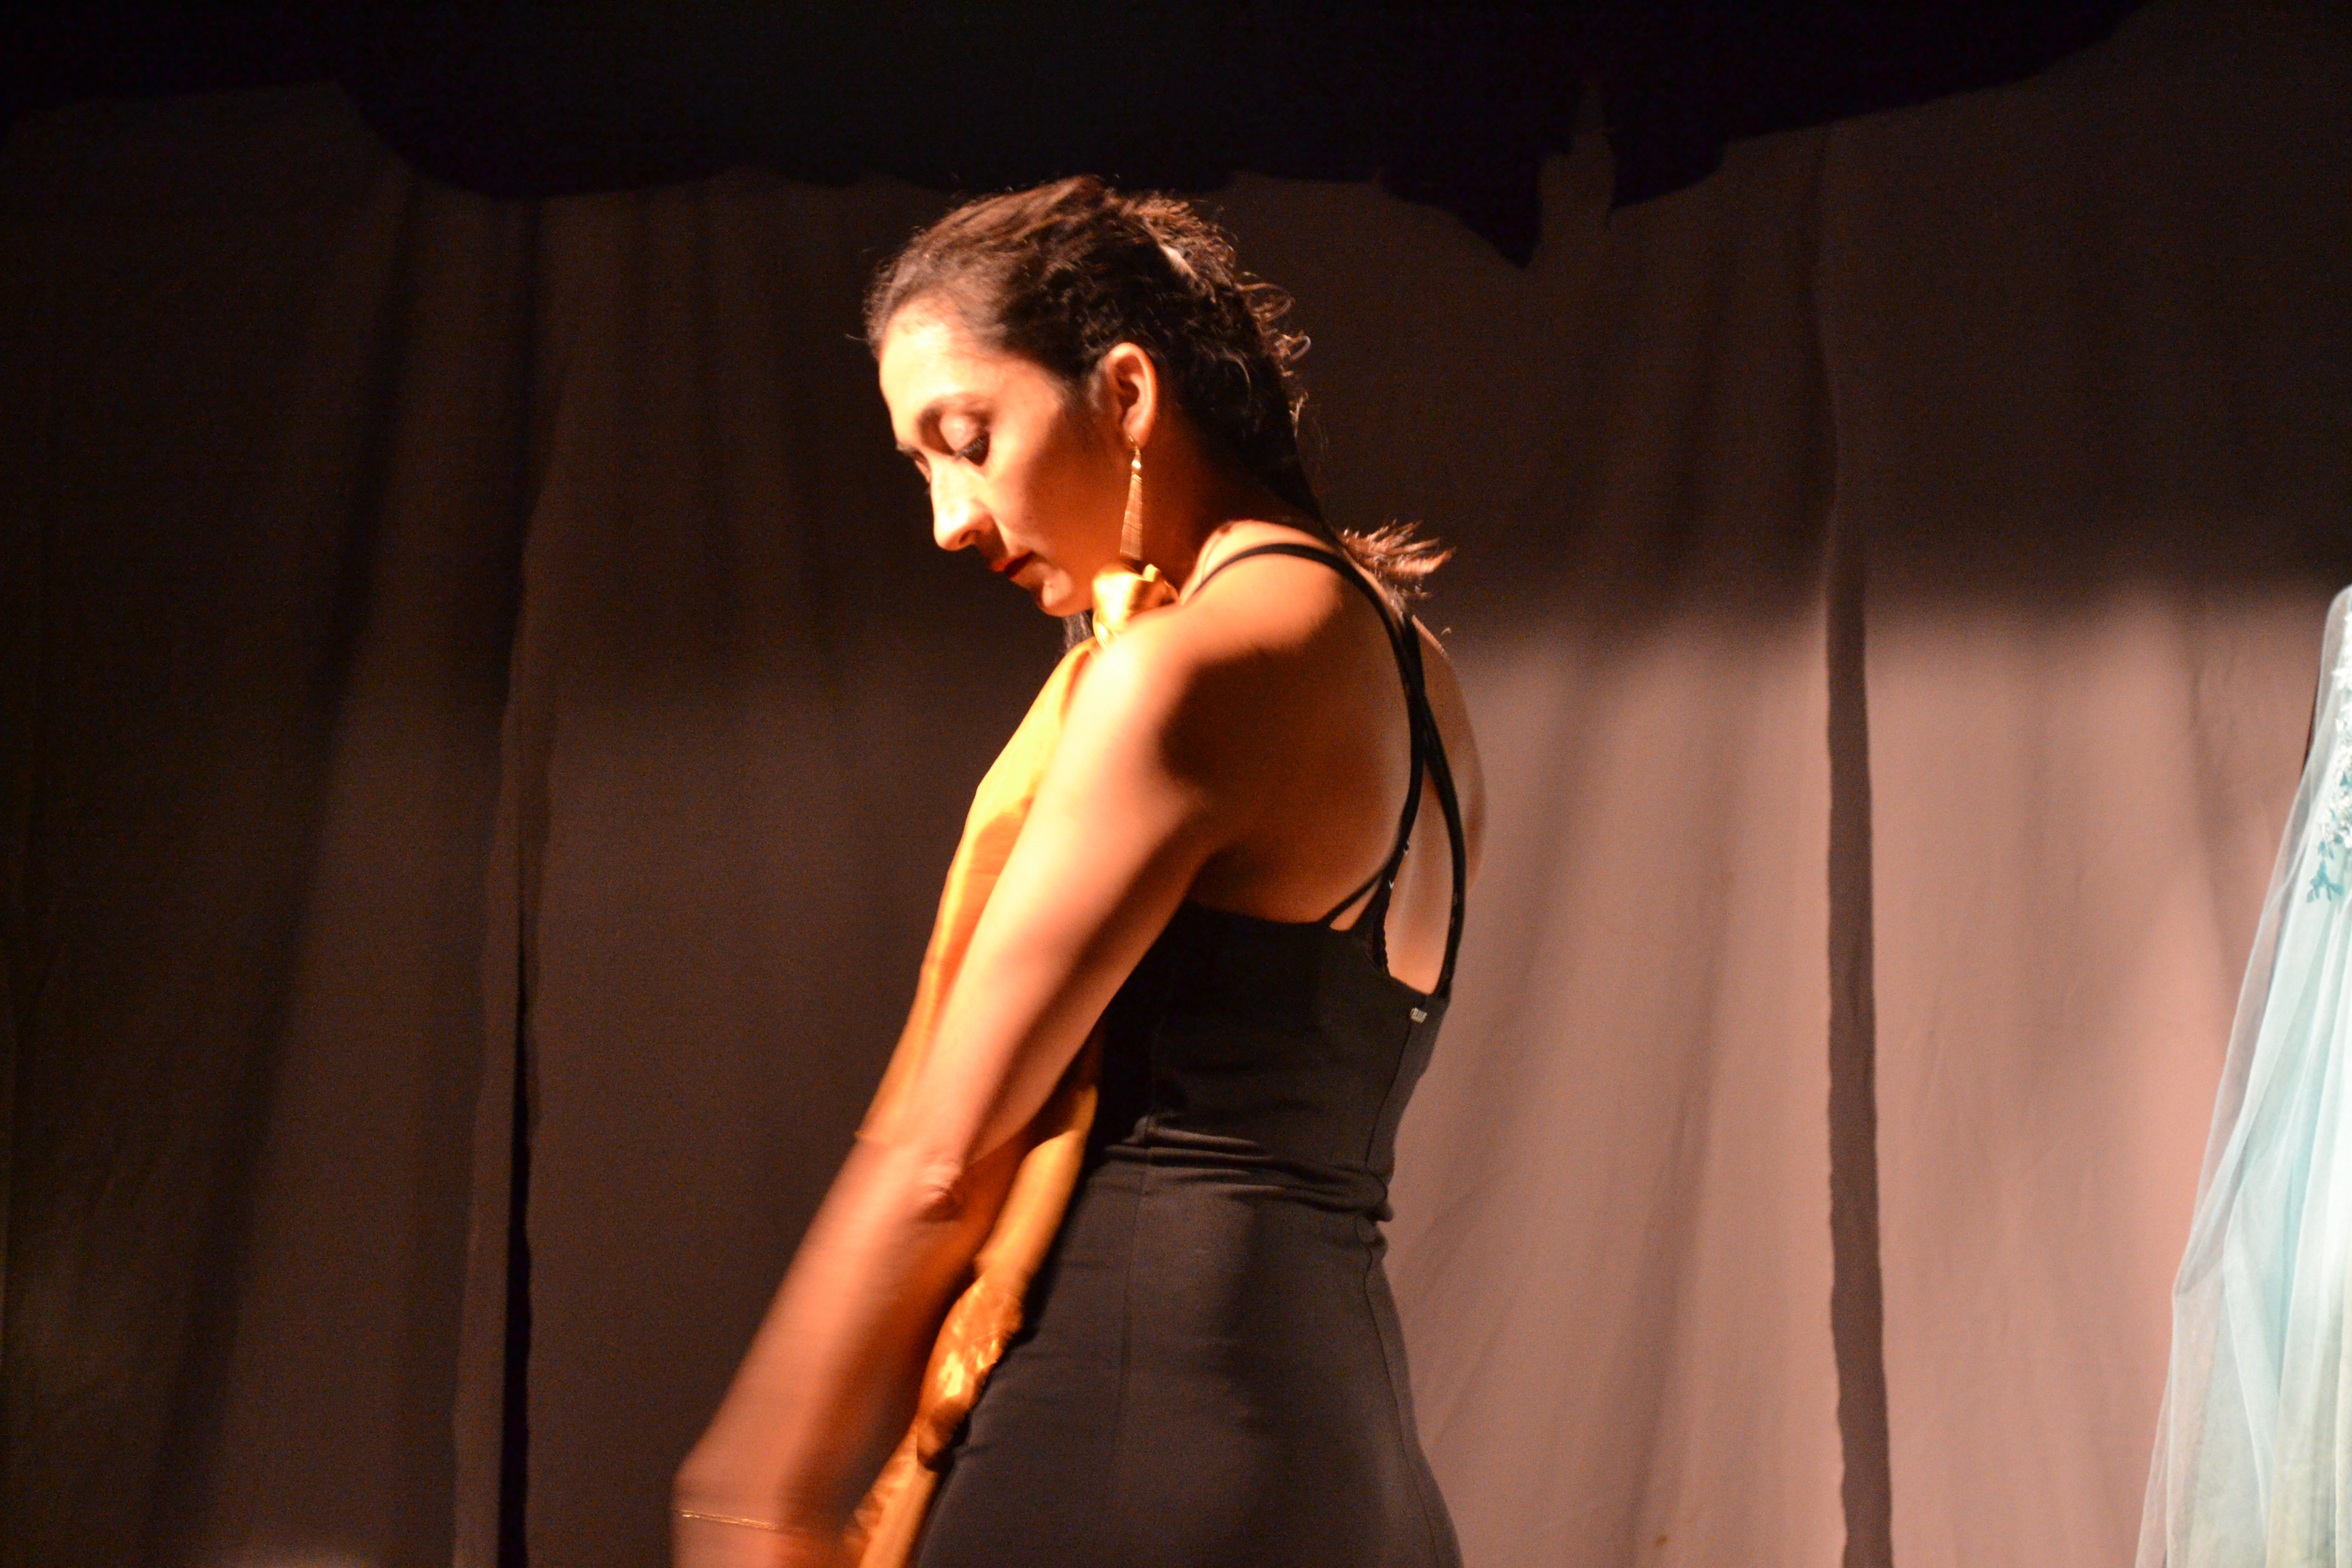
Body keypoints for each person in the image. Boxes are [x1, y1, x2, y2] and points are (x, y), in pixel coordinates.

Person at [672, 176, 1485, 1568]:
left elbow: (942, 1153)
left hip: (1128, 1447)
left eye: (968, 440)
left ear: (1125, 394)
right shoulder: (1413, 671)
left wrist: (755, 1487)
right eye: (922, 469)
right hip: (1346, 1461)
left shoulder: (1186, 672)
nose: (950, 519)